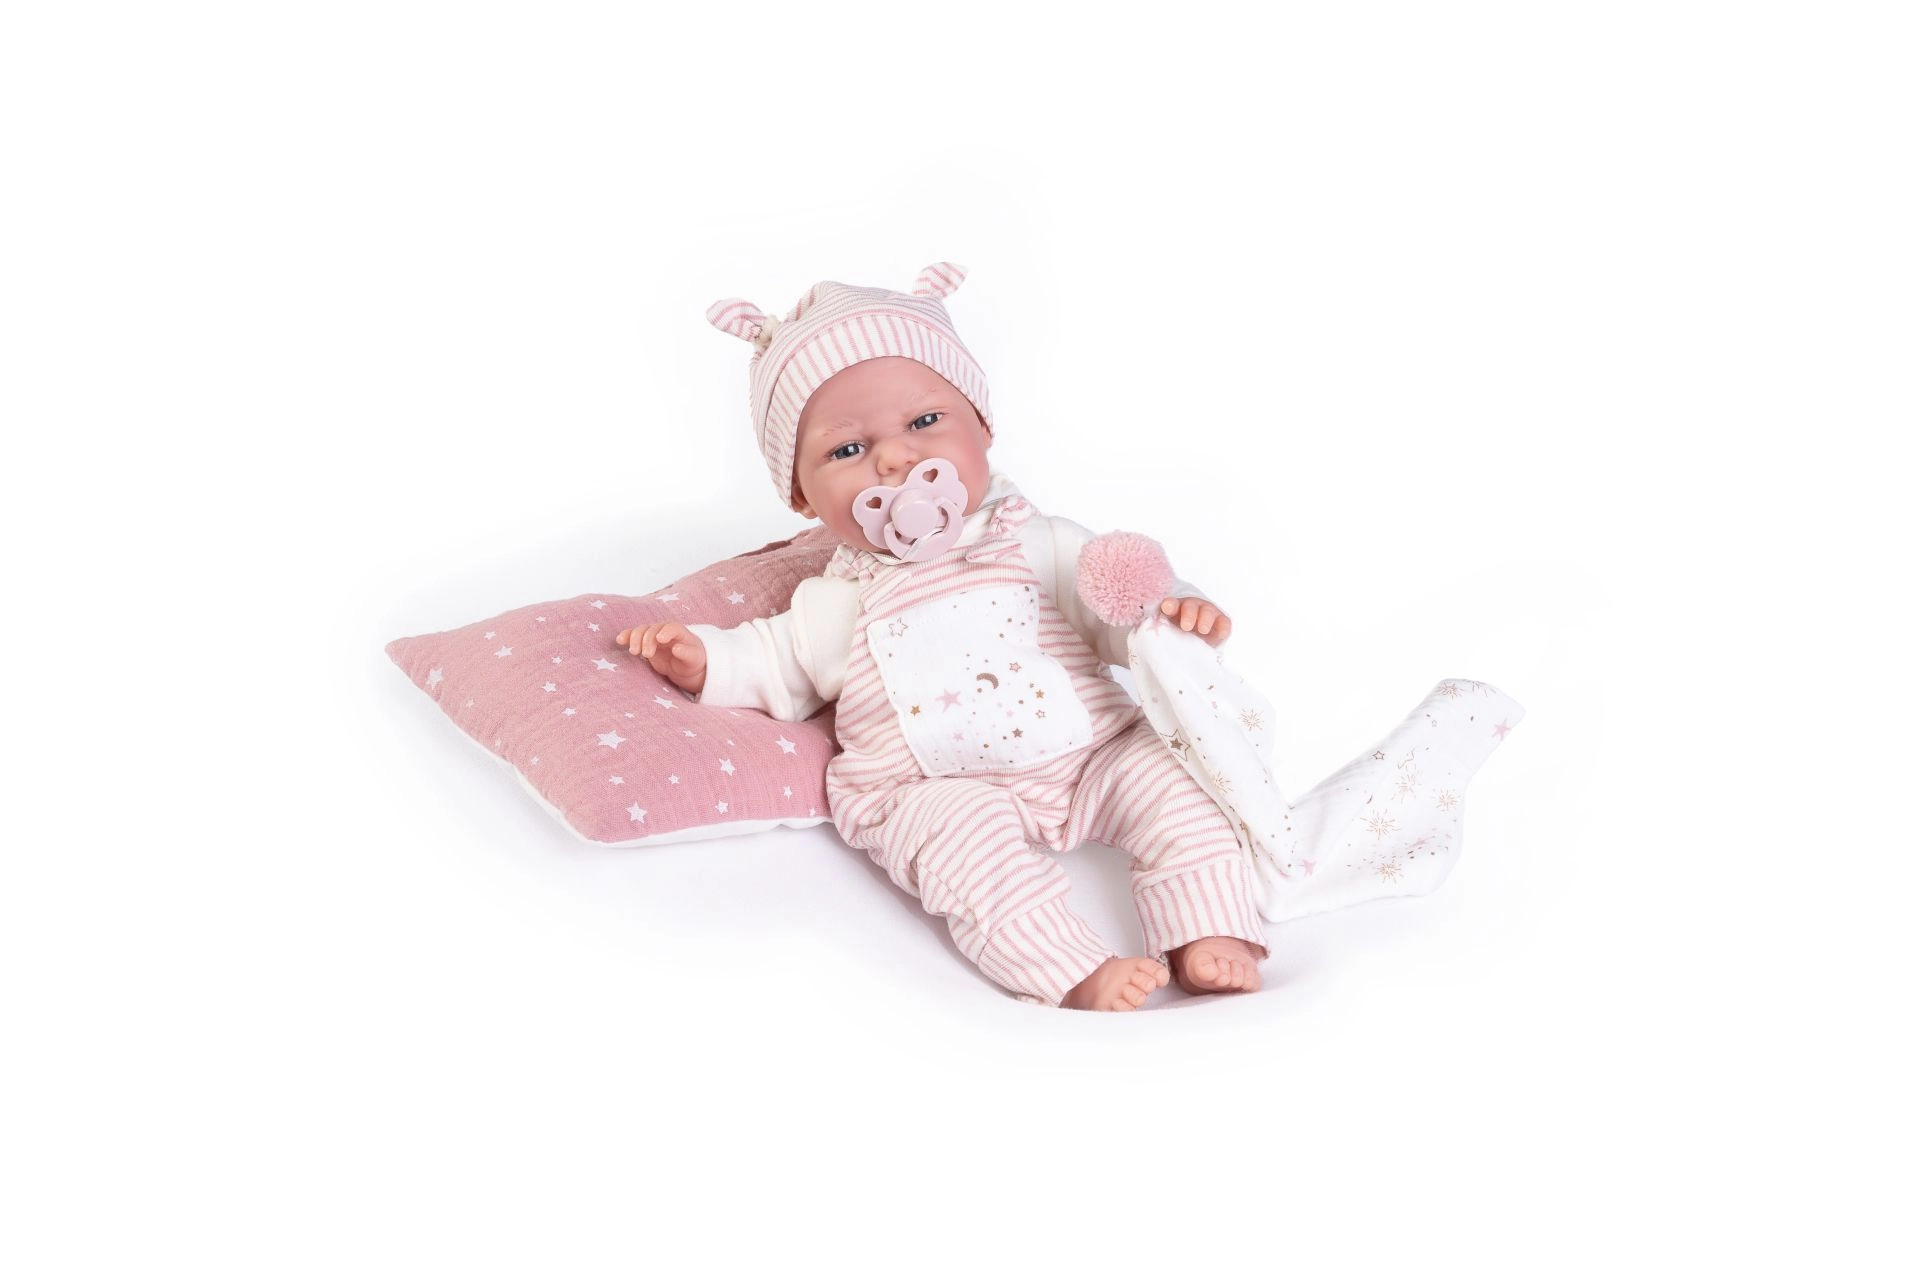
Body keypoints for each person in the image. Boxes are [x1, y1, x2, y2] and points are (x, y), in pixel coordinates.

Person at [616, 262, 1267, 1011]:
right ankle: (1069, 969)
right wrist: (702, 658)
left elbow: (1118, 601)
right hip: (937, 785)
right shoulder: (839, 598)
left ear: (983, 429)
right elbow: (776, 659)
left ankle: (1207, 925)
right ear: (802, 497)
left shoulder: (1039, 542)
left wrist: (1174, 611)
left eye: (925, 423)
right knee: (963, 850)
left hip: (1092, 753)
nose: (895, 458)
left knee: (1173, 781)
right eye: (846, 450)